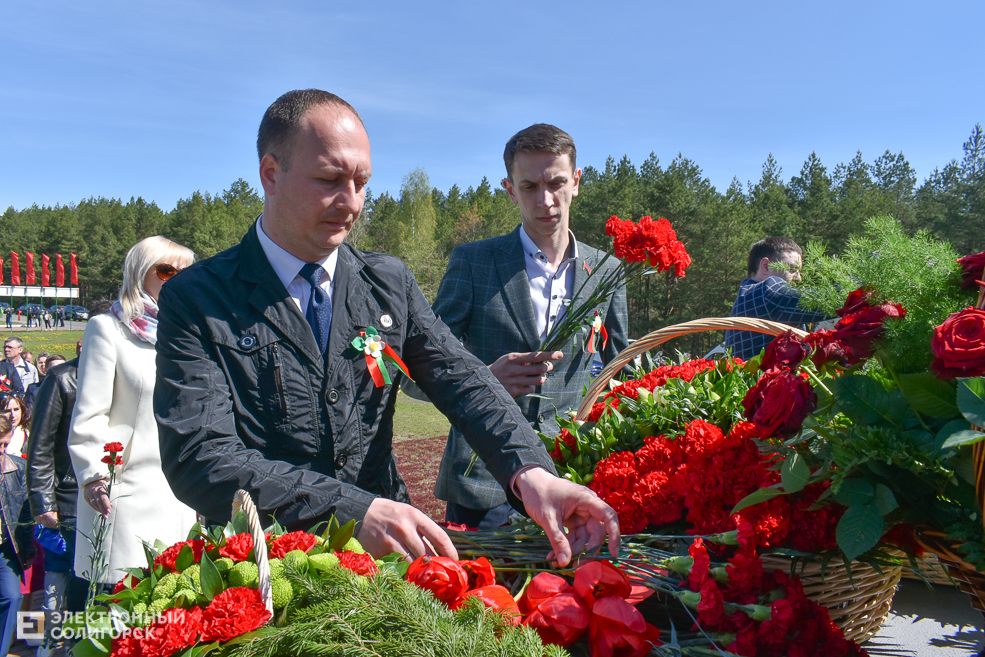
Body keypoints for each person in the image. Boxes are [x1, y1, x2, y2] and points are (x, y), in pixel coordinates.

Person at [154, 89, 619, 567]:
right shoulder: (198, 299)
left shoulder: (387, 282)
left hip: (386, 568)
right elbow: (201, 458)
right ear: (271, 174)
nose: (350, 203)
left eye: (362, 182)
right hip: (263, 571)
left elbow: (462, 380)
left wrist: (530, 472)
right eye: (329, 179)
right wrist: (352, 514)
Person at [431, 124, 628, 529]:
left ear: (576, 181)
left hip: (571, 476)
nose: (545, 200)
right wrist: (483, 379)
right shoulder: (473, 263)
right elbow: (418, 367)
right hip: (481, 483)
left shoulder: (607, 271)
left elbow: (622, 370)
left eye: (556, 183)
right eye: (528, 186)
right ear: (509, 189)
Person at [69, 236, 198, 585]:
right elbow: (89, 412)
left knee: (172, 614)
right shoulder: (107, 330)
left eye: (188, 273)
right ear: (140, 274)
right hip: (125, 495)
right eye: (168, 271)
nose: (180, 279)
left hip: (180, 494)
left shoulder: (189, 334)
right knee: (121, 619)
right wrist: (94, 476)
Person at [27, 352, 86, 654]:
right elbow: (40, 444)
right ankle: (60, 645)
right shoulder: (63, 377)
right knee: (74, 581)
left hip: (120, 495)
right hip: (70, 497)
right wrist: (42, 501)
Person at [722, 237, 828, 360]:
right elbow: (826, 303)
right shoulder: (766, 291)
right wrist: (853, 290)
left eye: (799, 271)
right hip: (770, 378)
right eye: (792, 269)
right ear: (766, 266)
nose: (799, 278)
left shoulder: (745, 297)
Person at [0, 413, 36, 656]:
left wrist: (27, 549)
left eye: (5, 444)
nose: (2, 450)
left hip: (5, 548)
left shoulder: (16, 468)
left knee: (12, 597)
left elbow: (25, 516)